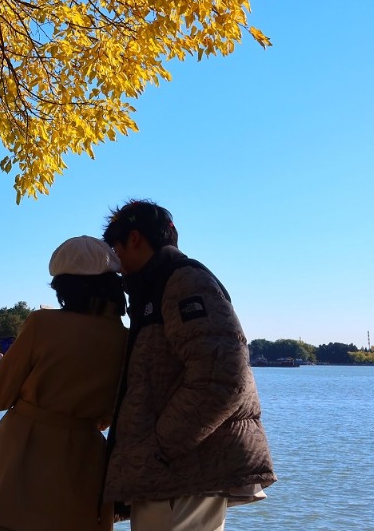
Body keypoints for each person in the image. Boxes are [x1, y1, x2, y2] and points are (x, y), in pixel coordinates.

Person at [102, 200, 275, 531]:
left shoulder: (182, 282)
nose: (116, 262)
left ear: (134, 238)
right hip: (175, 474)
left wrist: (161, 448)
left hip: (182, 473)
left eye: (116, 248)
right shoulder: (160, 285)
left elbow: (222, 377)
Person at [0, 236, 128, 531]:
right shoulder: (126, 340)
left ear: (63, 286)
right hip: (85, 464)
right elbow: (110, 416)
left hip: (22, 459)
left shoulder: (42, 324)